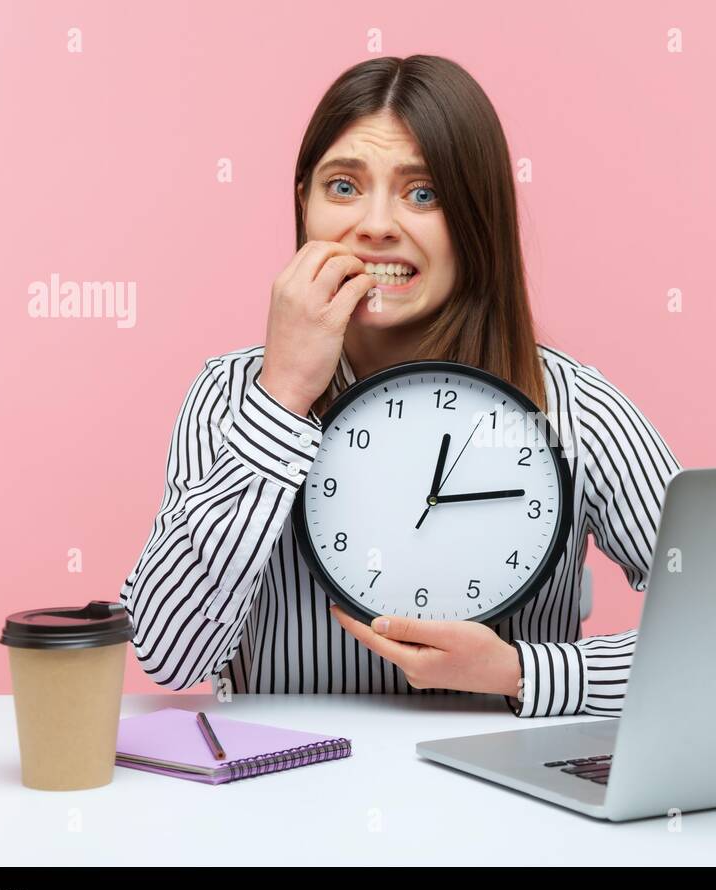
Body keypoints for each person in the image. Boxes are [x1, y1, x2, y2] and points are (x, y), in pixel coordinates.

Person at [119, 55, 680, 717]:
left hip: (513, 806)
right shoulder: (230, 394)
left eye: (423, 193)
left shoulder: (575, 410)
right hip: (287, 801)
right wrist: (283, 396)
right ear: (304, 202)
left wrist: (524, 672)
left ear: (477, 219)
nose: (377, 225)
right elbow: (168, 651)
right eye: (344, 186)